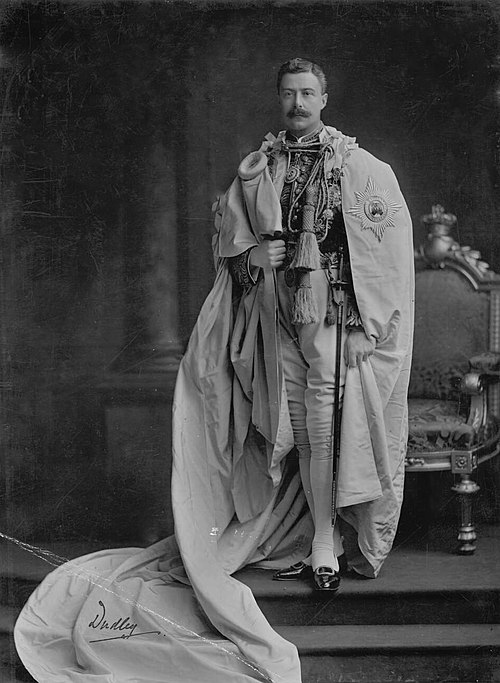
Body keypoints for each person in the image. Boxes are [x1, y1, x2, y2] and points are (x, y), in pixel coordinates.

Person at [14, 58, 414, 683]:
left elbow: (387, 251)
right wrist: (256, 253)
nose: (298, 103)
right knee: (301, 430)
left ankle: (328, 539)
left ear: (325, 99)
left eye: (308, 93)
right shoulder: (258, 169)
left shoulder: (361, 169)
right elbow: (228, 250)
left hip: (334, 317)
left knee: (324, 421)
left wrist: (364, 321)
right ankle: (315, 535)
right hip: (276, 317)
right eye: (288, 94)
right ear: (278, 100)